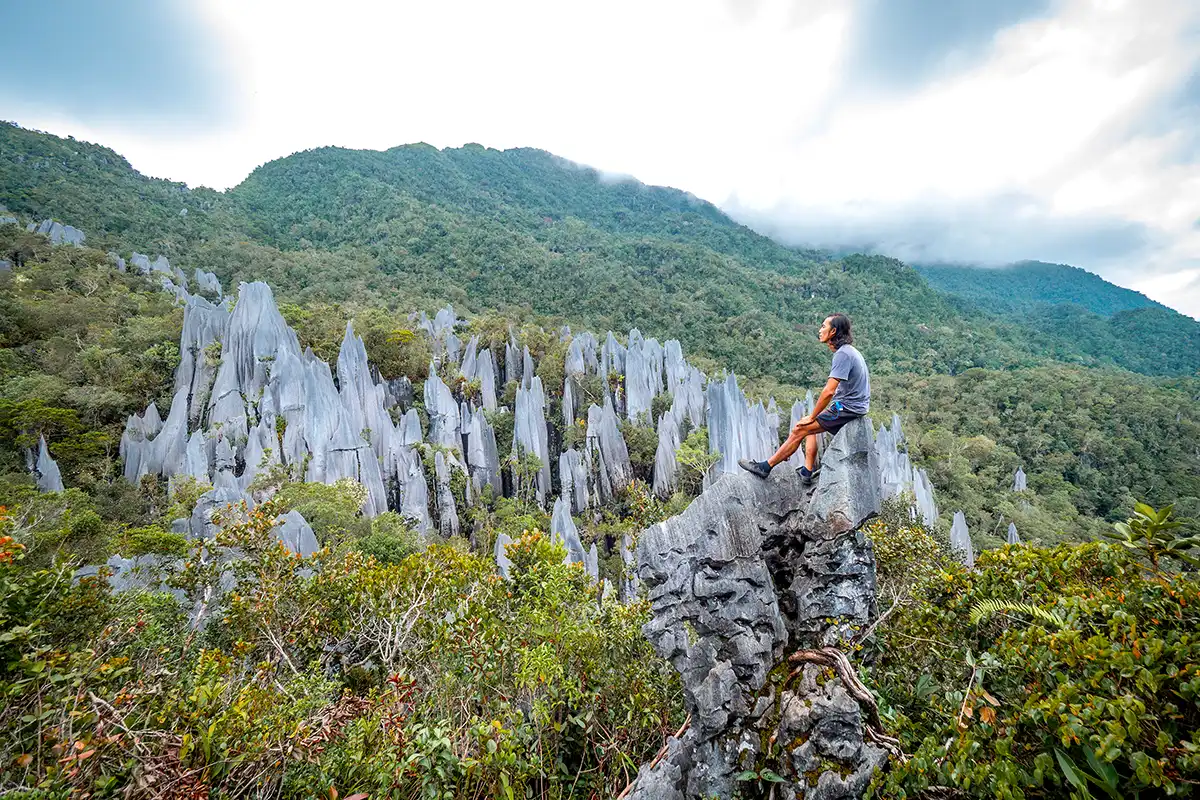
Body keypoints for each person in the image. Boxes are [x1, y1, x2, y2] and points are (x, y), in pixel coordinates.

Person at [738, 313, 870, 485]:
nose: (820, 329)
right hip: (850, 405)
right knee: (807, 426)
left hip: (847, 409)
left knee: (800, 429)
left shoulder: (842, 355)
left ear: (833, 332)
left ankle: (765, 467)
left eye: (824, 326)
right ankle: (807, 471)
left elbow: (829, 391)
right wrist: (813, 417)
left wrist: (813, 416)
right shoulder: (847, 351)